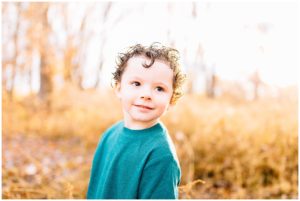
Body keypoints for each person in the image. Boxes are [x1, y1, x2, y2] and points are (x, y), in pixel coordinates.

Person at [87, 42, 186, 199]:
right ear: (119, 88)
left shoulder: (161, 156)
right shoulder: (110, 134)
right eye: (136, 84)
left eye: (159, 88)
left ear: (171, 100)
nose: (146, 94)